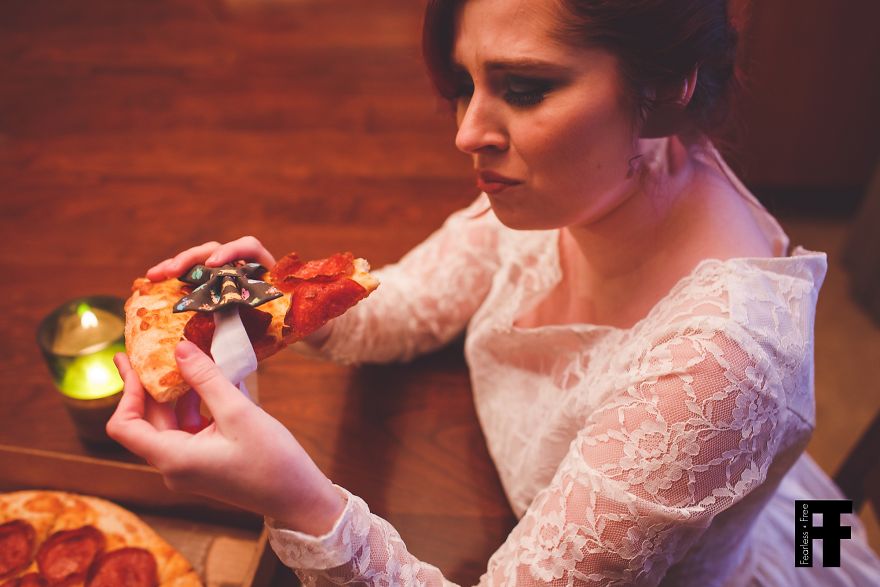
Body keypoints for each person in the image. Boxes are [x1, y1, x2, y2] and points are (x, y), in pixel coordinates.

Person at [107, 0, 880, 584]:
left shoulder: (720, 369)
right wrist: (281, 299)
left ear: (665, 90)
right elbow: (415, 303)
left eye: (525, 87)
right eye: (465, 84)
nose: (468, 131)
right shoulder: (581, 180)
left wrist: (299, 500)